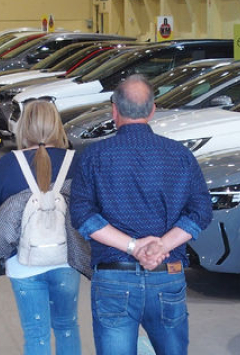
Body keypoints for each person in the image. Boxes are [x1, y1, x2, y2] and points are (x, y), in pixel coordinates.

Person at [69, 75, 212, 355]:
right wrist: (161, 245)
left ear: (114, 110)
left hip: (113, 278)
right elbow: (201, 210)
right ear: (152, 110)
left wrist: (134, 247)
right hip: (167, 272)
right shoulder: (180, 155)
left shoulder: (93, 156)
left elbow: (83, 215)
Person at [0, 101, 82, 355]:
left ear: (24, 127)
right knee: (67, 326)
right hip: (67, 260)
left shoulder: (8, 165)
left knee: (35, 334)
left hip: (23, 263)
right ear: (56, 125)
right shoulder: (76, 162)